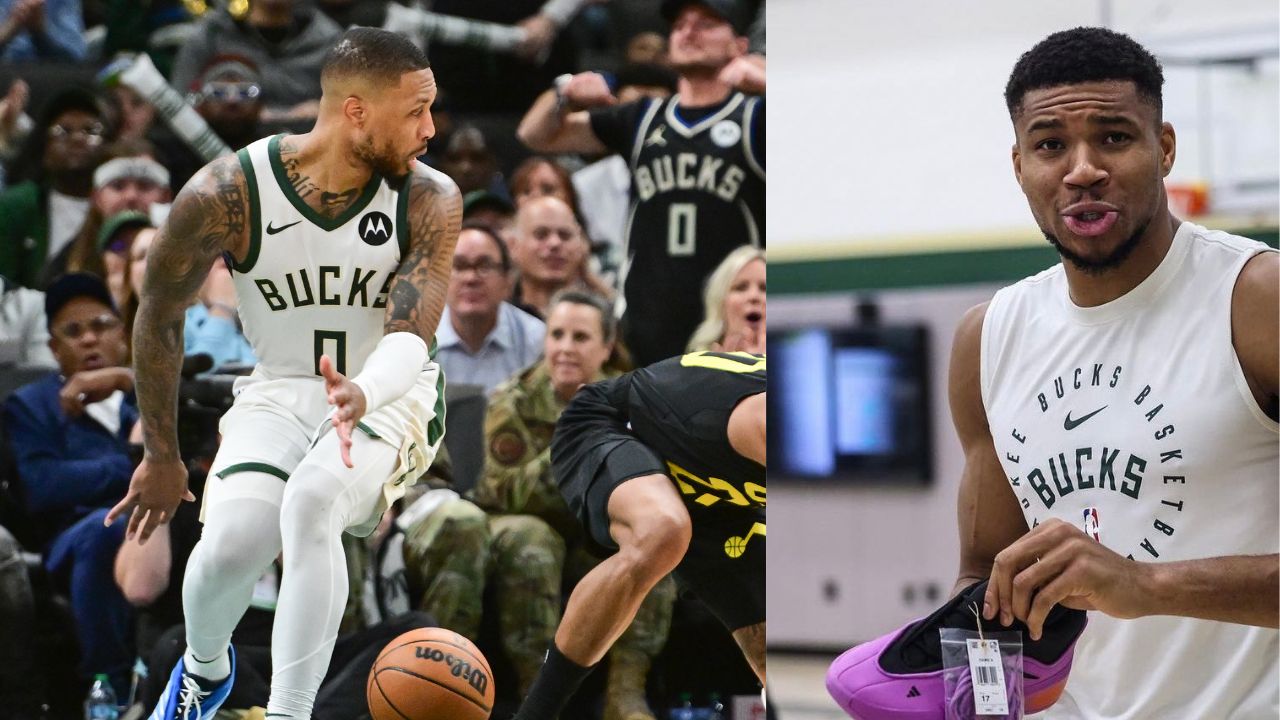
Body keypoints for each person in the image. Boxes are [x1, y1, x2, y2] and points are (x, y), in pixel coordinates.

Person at [105, 27, 460, 719]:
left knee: (313, 501)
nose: (430, 128)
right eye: (416, 109)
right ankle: (206, 672)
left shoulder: (429, 197)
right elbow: (158, 315)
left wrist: (365, 390)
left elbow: (413, 336)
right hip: (281, 386)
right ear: (356, 110)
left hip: (390, 389)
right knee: (227, 552)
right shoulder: (227, 191)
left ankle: (290, 713)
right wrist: (160, 453)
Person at [947, 28, 1276, 719]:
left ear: (1164, 149)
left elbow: (1133, 586)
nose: (1082, 168)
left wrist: (1147, 584)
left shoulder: (1255, 299)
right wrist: (966, 695)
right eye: (1050, 145)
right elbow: (983, 574)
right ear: (1018, 164)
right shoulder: (989, 337)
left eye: (1115, 137)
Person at [514, 349, 766, 720]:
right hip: (615, 426)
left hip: (717, 492)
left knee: (768, 649)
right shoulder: (783, 423)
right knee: (662, 530)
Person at [517, 0, 765, 366]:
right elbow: (535, 135)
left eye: (706, 24)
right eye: (679, 25)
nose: (688, 32)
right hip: (649, 317)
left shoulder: (755, 116)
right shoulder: (642, 117)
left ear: (739, 46)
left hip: (726, 322)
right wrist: (564, 92)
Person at [3, 272, 140, 696]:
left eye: (100, 325)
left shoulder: (147, 395)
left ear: (122, 334)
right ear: (53, 349)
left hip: (160, 524)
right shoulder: (29, 406)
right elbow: (43, 487)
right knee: (108, 528)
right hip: (71, 537)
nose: (88, 340)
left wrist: (129, 383)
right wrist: (132, 465)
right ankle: (110, 686)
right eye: (73, 331)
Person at [0, 87, 107, 289]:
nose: (77, 138)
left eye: (91, 130)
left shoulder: (121, 204)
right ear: (44, 148)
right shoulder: (16, 206)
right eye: (63, 131)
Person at [436, 222, 545, 393]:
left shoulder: (536, 339)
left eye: (484, 266)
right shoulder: (420, 339)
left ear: (508, 280)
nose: (471, 278)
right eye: (459, 266)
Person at [687, 244, 763, 354]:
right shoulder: (696, 366)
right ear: (720, 302)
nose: (754, 296)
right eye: (740, 287)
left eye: (764, 288)